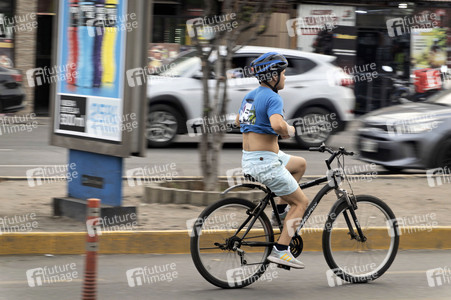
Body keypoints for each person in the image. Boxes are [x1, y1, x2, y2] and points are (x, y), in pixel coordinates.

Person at [234, 52, 309, 269]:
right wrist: (290, 130)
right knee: (302, 202)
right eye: (283, 73)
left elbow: (240, 121)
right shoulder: (273, 97)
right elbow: (278, 125)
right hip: (266, 161)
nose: (285, 77)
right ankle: (281, 250)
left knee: (300, 164)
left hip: (253, 158)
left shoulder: (250, 95)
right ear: (273, 76)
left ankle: (281, 213)